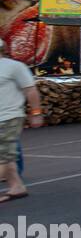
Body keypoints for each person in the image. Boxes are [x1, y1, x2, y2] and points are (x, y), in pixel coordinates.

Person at [0, 38, 42, 203]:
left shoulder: (14, 66)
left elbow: (30, 90)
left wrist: (36, 112)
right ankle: (17, 186)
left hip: (8, 117)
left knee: (3, 156)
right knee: (6, 156)